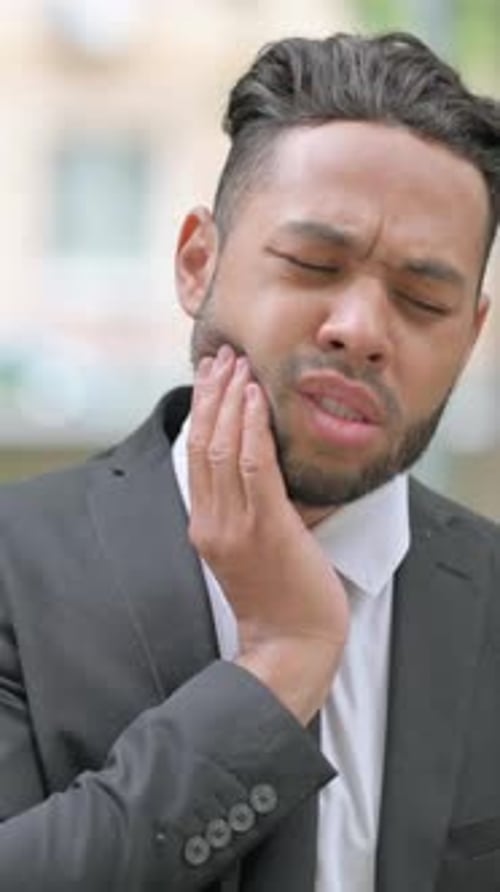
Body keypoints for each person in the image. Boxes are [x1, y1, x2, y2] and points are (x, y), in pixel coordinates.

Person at [0, 30, 499, 892]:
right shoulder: (16, 565)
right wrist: (280, 664)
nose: (361, 331)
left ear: (472, 333)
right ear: (199, 262)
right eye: (312, 264)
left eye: (422, 300)